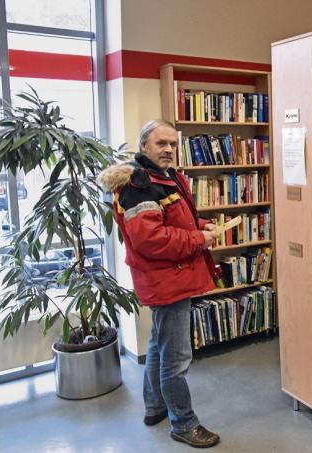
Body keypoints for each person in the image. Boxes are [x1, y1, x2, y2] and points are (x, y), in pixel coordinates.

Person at [97, 119, 221, 448]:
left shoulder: (166, 177)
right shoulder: (139, 184)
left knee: (158, 343)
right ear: (144, 147)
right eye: (161, 143)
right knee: (176, 359)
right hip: (166, 279)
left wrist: (203, 226)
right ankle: (183, 422)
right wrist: (199, 239)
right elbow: (151, 239)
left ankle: (155, 408)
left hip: (172, 276)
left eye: (172, 144)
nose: (168, 149)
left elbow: (178, 220)